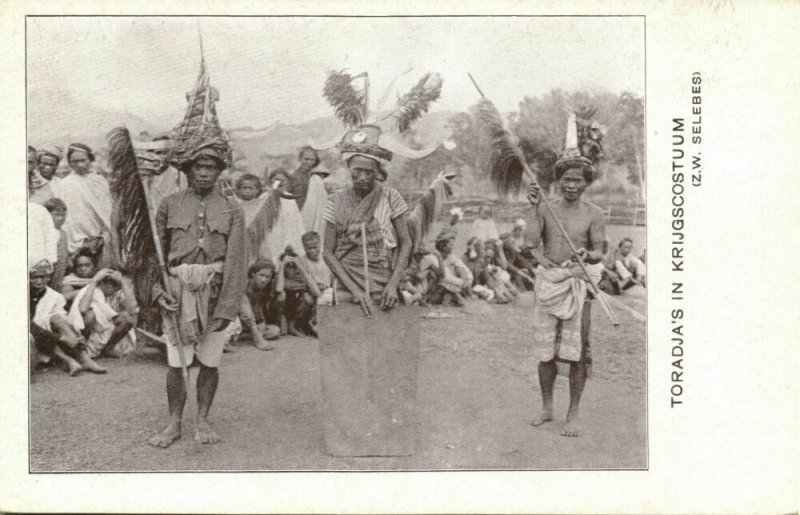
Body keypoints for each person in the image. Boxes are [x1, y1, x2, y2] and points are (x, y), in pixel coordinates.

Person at [148, 146, 246, 448]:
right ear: (187, 170)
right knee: (177, 363)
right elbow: (155, 254)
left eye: (211, 167)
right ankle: (174, 422)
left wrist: (227, 307)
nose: (204, 172)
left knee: (210, 361)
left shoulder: (232, 208)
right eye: (198, 166)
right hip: (177, 291)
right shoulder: (169, 203)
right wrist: (158, 291)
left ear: (220, 171)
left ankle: (202, 418)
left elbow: (236, 261)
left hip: (215, 292)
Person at [527, 142, 606, 437]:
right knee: (546, 351)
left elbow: (599, 251)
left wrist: (587, 255)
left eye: (578, 180)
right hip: (550, 283)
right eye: (567, 179)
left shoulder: (595, 213)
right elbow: (530, 244)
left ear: (586, 183)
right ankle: (547, 407)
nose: (572, 185)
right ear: (558, 180)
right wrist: (533, 208)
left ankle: (572, 414)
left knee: (577, 350)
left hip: (577, 283)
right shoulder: (546, 209)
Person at [29, 259, 106, 376]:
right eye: (34, 277)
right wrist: (62, 338)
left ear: (49, 278)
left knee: (56, 318)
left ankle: (83, 359)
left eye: (43, 277)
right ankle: (70, 360)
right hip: (30, 333)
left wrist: (73, 335)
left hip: (46, 333)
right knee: (38, 331)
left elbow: (61, 319)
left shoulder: (55, 297)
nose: (39, 281)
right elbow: (28, 325)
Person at [56, 143, 113, 265]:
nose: (80, 165)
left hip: (100, 239)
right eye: (74, 161)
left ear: (91, 159)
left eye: (83, 160)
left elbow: (107, 211)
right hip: (76, 241)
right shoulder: (65, 184)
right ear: (69, 163)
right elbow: (66, 217)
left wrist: (102, 237)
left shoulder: (100, 181)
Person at [67, 268, 138, 358]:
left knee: (126, 317)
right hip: (88, 333)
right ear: (100, 282)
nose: (109, 286)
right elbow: (83, 309)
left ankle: (108, 349)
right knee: (89, 315)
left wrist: (123, 283)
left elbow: (133, 311)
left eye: (113, 283)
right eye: (105, 282)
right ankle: (82, 350)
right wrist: (94, 282)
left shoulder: (117, 293)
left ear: (117, 285)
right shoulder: (91, 289)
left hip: (104, 331)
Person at [276, 231, 331, 336]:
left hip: (326, 289)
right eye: (309, 248)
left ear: (320, 243)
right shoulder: (302, 261)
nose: (313, 251)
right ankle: (304, 323)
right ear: (304, 248)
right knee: (309, 299)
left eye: (315, 247)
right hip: (311, 291)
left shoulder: (326, 257)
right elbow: (307, 285)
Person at [239, 259, 282, 350]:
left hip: (249, 324)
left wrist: (262, 323)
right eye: (261, 275)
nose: (264, 280)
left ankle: (242, 337)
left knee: (275, 331)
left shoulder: (263, 288)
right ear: (253, 274)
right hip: (238, 319)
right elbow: (246, 313)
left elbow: (258, 306)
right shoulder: (243, 285)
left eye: (268, 277)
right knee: (246, 312)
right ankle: (257, 338)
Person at [42, 197, 69, 291]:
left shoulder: (63, 233)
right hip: (47, 271)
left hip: (59, 272)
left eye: (63, 215)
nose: (60, 218)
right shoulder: (45, 232)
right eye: (56, 215)